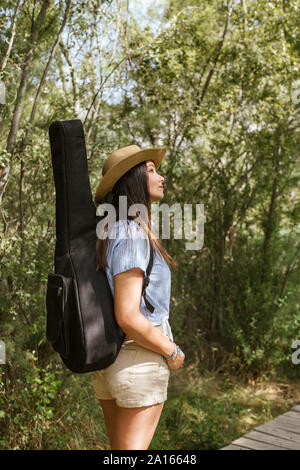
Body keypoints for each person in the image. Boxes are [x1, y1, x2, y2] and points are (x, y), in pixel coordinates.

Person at [91, 144, 185, 450]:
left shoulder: (112, 231)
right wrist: (170, 351)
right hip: (139, 359)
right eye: (151, 171)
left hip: (112, 360)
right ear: (132, 181)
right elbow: (128, 314)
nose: (161, 177)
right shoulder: (132, 233)